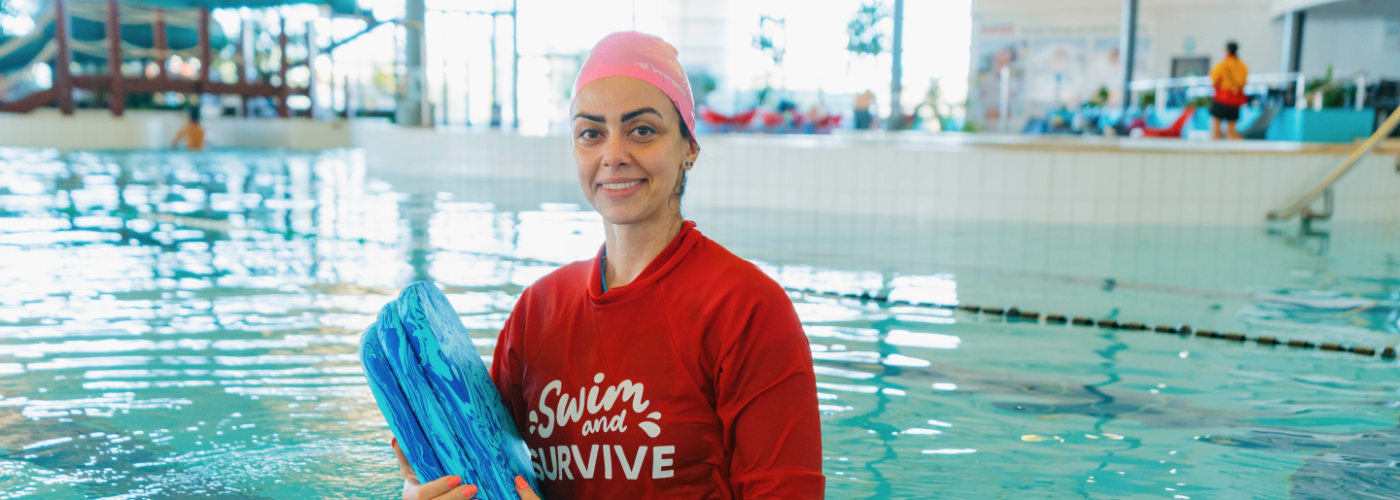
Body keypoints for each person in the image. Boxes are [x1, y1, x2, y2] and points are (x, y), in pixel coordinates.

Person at [390, 31, 825, 500]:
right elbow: (490, 471)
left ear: (689, 149)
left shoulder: (747, 310)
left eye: (642, 130)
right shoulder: (537, 313)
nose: (613, 155)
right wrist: (426, 489)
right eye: (591, 133)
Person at [1208, 41, 1249, 140]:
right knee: (1231, 132)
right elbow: (1244, 83)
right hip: (1235, 100)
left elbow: (1213, 81)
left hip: (1222, 98)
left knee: (1216, 132)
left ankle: (1213, 152)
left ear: (1227, 51)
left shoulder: (1222, 65)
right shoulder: (1242, 66)